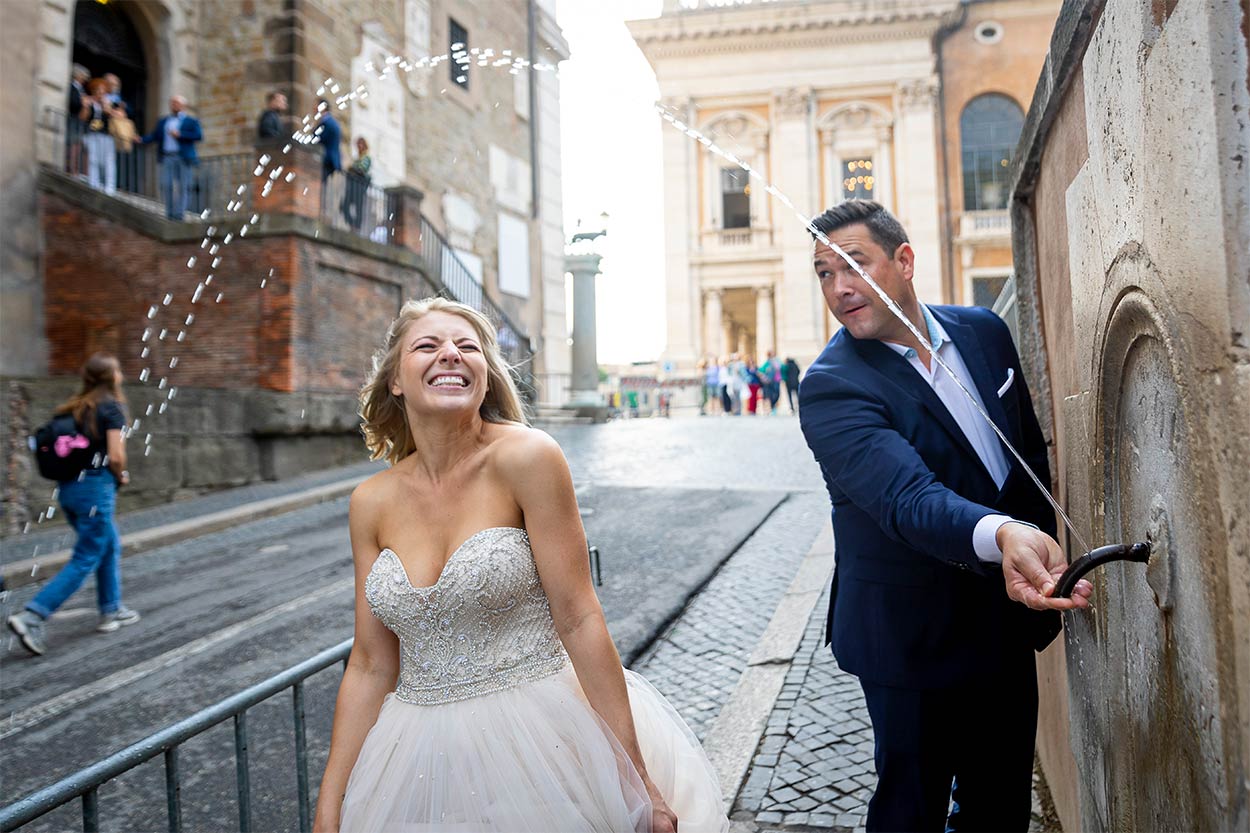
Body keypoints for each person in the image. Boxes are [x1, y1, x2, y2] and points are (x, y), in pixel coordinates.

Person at [313, 298, 727, 833]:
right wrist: (330, 806)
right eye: (427, 346)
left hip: (546, 740)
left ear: (485, 377)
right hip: (415, 761)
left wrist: (635, 777)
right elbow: (370, 664)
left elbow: (578, 618)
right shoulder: (370, 502)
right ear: (396, 379)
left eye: (467, 347)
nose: (450, 356)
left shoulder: (528, 458)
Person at [797, 200, 1093, 832]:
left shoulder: (985, 330)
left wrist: (1043, 561)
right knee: (911, 811)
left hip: (1006, 617)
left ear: (904, 260)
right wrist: (1006, 533)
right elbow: (909, 500)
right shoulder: (832, 385)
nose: (839, 286)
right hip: (908, 638)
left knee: (1001, 805)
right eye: (823, 272)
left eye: (854, 263)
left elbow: (1028, 453)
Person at [7, 354, 138, 657]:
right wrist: (122, 475)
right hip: (95, 488)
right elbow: (116, 456)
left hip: (69, 491)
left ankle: (111, 609)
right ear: (112, 377)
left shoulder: (73, 409)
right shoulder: (111, 409)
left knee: (108, 544)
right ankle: (33, 615)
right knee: (86, 555)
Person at [139, 96, 202, 220]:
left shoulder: (191, 121)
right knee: (165, 184)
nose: (173, 105)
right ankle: (170, 212)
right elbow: (155, 136)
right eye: (172, 103)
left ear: (183, 105)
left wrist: (180, 135)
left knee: (184, 186)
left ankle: (179, 213)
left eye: (176, 103)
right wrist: (141, 139)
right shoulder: (164, 121)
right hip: (167, 157)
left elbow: (198, 136)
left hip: (184, 157)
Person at [80, 78, 124, 194]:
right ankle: (94, 184)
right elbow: (83, 118)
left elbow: (121, 115)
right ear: (93, 91)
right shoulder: (90, 103)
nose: (100, 93)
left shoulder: (110, 102)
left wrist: (107, 108)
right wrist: (85, 106)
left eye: (102, 91)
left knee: (108, 161)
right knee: (93, 159)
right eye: (97, 90)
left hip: (106, 135)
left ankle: (110, 187)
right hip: (92, 133)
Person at [341, 137, 372, 231]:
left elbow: (362, 169)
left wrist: (352, 168)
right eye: (358, 144)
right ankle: (352, 224)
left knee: (358, 208)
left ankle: (356, 226)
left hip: (359, 186)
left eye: (361, 144)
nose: (359, 146)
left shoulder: (366, 158)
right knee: (343, 206)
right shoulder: (357, 158)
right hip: (353, 185)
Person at [67, 64, 90, 176]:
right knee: (74, 147)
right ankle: (72, 170)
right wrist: (83, 102)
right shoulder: (72, 87)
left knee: (82, 147)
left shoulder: (81, 90)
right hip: (74, 122)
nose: (86, 78)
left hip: (81, 123)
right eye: (84, 75)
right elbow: (73, 103)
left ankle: (81, 172)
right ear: (78, 75)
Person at [317, 99, 342, 184]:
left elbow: (319, 139)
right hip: (332, 159)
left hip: (327, 158)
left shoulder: (327, 123)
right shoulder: (331, 122)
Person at [759, 350, 782, 415]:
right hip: (770, 381)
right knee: (771, 395)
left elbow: (781, 368)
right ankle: (772, 407)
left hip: (777, 380)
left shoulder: (778, 361)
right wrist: (764, 377)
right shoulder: (767, 362)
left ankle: (773, 406)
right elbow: (760, 370)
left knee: (777, 394)